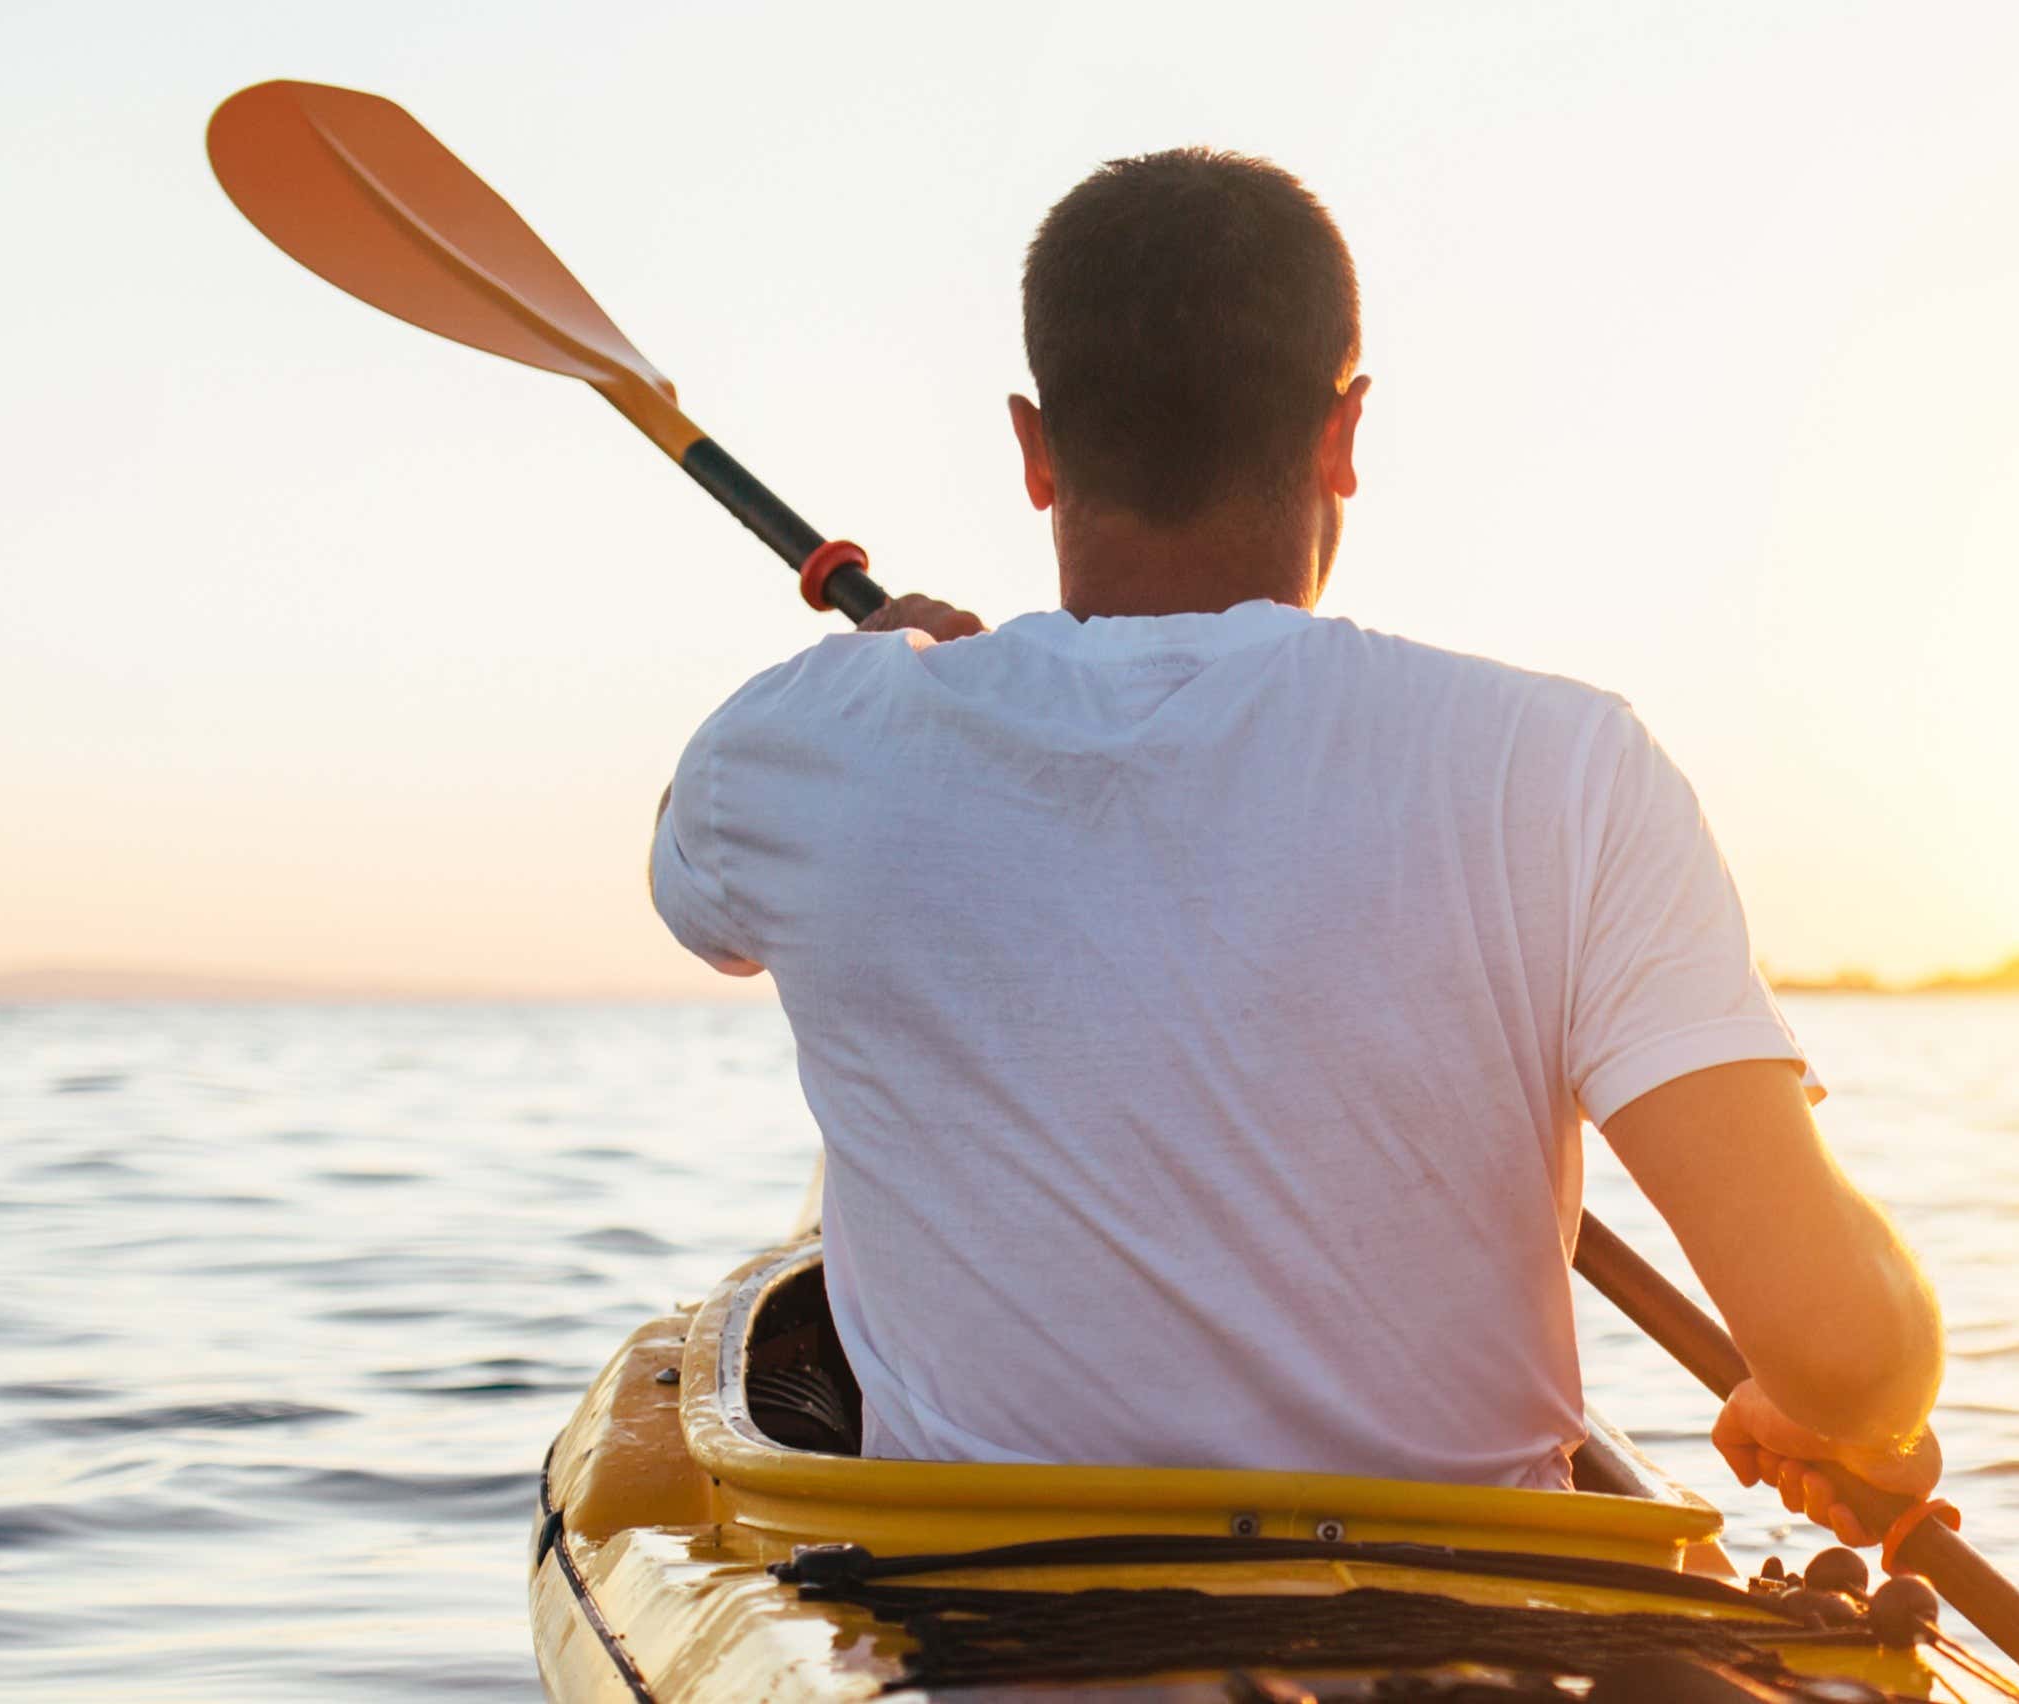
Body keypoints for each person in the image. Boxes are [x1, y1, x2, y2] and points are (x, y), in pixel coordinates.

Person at [642, 148, 1945, 1542]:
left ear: (1034, 448)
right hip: (1472, 1639)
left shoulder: (803, 747)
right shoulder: (1571, 768)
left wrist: (889, 667)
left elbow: (690, 880)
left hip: (967, 1633)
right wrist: (1845, 1408)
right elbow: (1846, 1357)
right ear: (1344, 433)